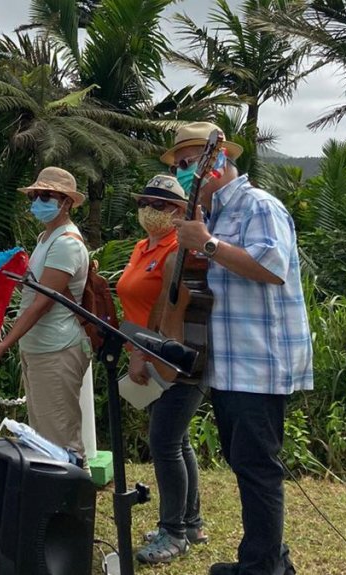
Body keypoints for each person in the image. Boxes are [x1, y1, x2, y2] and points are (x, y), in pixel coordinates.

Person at [164, 122, 312, 575]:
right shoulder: (211, 215)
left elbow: (272, 267)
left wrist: (208, 245)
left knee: (257, 468)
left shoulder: (258, 206)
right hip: (227, 365)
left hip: (258, 364)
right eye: (179, 164)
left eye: (190, 161)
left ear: (219, 158)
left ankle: (260, 567)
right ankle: (269, 559)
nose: (184, 170)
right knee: (245, 463)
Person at [115, 175, 207, 564]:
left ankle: (174, 533)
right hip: (148, 357)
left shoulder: (180, 252)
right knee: (177, 441)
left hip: (175, 359)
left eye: (160, 204)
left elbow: (167, 309)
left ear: (179, 211)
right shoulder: (142, 247)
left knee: (165, 443)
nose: (149, 210)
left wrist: (142, 351)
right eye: (145, 202)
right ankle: (190, 522)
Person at [0, 166, 90, 458]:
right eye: (34, 196)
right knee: (43, 434)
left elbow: (43, 303)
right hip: (38, 347)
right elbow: (34, 288)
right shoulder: (46, 237)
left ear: (66, 202)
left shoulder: (66, 243)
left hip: (57, 347)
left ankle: (73, 485)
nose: (37, 202)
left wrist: (5, 343)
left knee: (60, 438)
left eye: (46, 196)